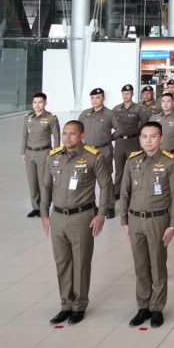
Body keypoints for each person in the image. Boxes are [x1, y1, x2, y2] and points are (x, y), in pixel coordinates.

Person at [40, 120, 111, 325]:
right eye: (64, 133)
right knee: (62, 262)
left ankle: (79, 305)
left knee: (80, 263)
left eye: (72, 133)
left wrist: (101, 214)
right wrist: (44, 213)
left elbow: (106, 186)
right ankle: (65, 304)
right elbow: (46, 187)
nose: (67, 137)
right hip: (58, 216)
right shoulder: (53, 157)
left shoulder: (93, 157)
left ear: (82, 136)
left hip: (82, 217)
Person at [119, 122, 174, 328]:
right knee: (140, 266)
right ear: (140, 140)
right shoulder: (132, 161)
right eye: (144, 136)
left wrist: (172, 225)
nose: (148, 140)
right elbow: (125, 192)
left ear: (161, 139)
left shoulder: (170, 162)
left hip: (158, 220)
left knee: (157, 264)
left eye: (153, 136)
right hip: (135, 220)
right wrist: (124, 220)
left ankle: (156, 308)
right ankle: (143, 306)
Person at [23, 92, 61, 218]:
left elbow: (56, 136)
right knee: (32, 182)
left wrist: (55, 154)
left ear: (45, 103)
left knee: (43, 183)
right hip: (30, 153)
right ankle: (35, 207)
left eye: (40, 102)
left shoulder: (51, 118)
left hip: (44, 153)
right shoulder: (27, 117)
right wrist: (23, 152)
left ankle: (44, 207)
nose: (37, 105)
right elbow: (24, 136)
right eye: (35, 102)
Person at [112, 85, 148, 215]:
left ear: (132, 94)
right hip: (120, 142)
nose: (125, 95)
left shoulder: (139, 108)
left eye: (128, 93)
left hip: (133, 142)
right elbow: (112, 125)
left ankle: (134, 192)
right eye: (124, 93)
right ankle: (118, 192)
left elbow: (145, 123)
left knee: (134, 169)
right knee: (119, 169)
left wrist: (139, 136)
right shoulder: (116, 109)